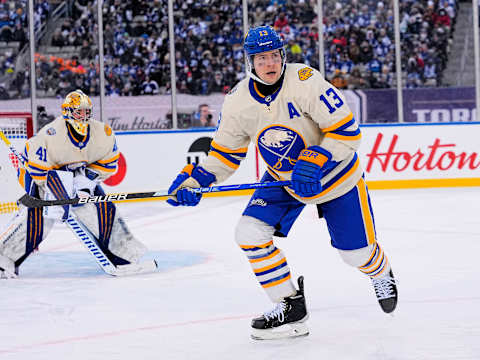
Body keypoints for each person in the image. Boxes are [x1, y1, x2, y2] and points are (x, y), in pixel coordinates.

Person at [166, 26, 398, 340]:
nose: (270, 63)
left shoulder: (305, 81)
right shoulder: (237, 102)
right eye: (261, 58)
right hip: (282, 182)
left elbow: (348, 132)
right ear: (250, 63)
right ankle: (290, 305)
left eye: (274, 55)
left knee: (354, 254)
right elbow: (225, 155)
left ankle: (381, 272)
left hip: (337, 178)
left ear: (283, 55)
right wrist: (197, 179)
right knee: (248, 233)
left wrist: (317, 158)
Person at [0, 89, 154, 278]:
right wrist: (60, 194)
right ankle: (3, 259)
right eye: (78, 112)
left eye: (86, 111)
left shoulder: (102, 133)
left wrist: (82, 185)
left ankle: (124, 255)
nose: (83, 116)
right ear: (67, 112)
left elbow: (108, 164)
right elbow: (39, 172)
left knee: (102, 208)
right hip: (38, 174)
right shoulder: (50, 136)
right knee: (40, 218)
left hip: (76, 174)